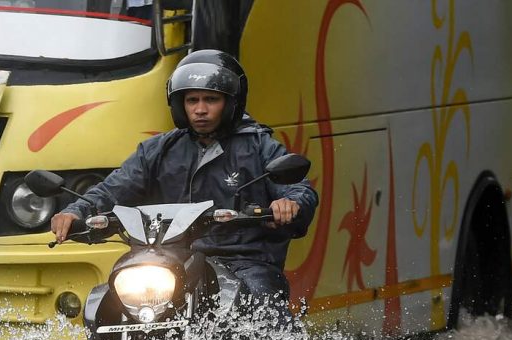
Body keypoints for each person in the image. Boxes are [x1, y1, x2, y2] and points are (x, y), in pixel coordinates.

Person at [50, 49, 318, 319]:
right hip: (169, 260)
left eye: (211, 99)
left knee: (261, 300)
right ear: (180, 105)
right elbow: (112, 190)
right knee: (105, 304)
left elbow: (299, 189)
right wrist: (76, 211)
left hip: (242, 262)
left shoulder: (259, 146)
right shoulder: (157, 150)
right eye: (192, 100)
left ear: (231, 103)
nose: (200, 109)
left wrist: (289, 203)